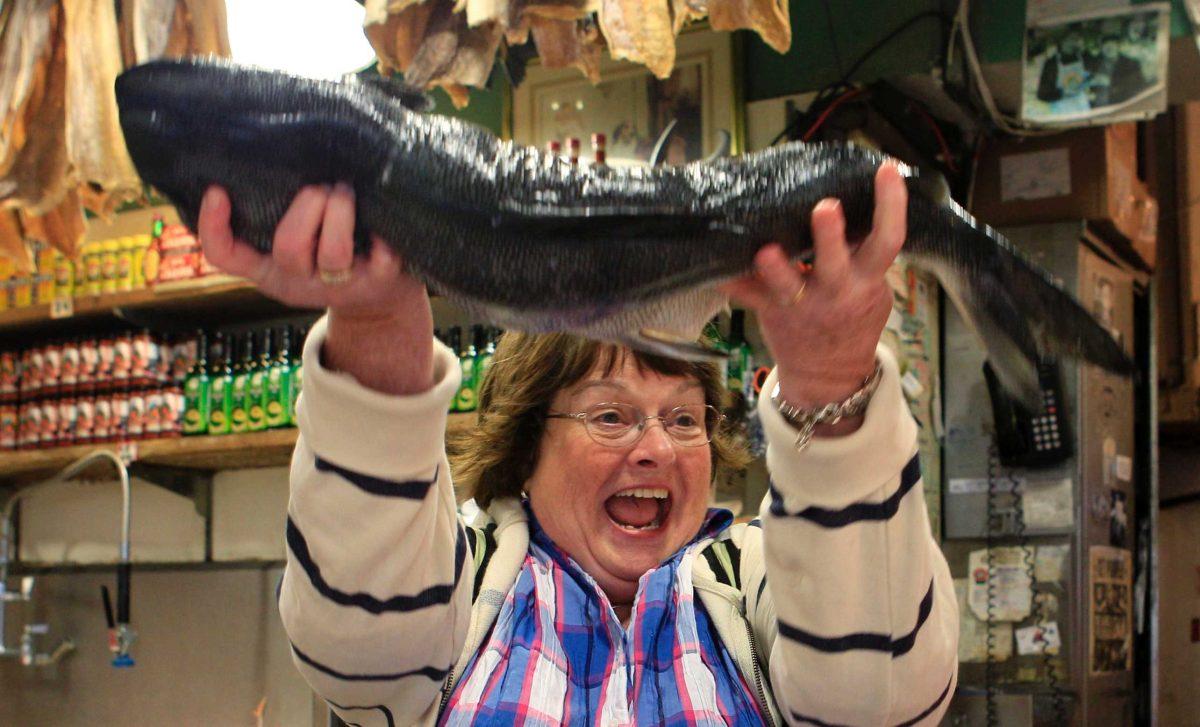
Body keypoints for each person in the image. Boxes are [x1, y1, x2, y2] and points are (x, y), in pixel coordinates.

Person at [198, 162, 958, 725]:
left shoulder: (756, 578)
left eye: (685, 419)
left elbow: (882, 702)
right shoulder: (458, 583)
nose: (657, 448)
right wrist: (375, 336)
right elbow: (358, 651)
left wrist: (831, 382)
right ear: (528, 444)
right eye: (610, 416)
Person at [1036, 26, 1093, 116]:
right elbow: (1042, 95)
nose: (1076, 41)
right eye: (1072, 38)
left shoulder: (1084, 57)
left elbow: (1091, 77)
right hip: (1062, 110)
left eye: (1077, 38)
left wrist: (1089, 82)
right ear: (1062, 40)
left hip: (1082, 107)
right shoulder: (1052, 63)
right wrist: (1063, 94)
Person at [1088, 35, 1147, 108]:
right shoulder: (1095, 64)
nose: (1109, 48)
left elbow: (1138, 87)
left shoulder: (1131, 64)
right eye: (1105, 46)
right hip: (1097, 108)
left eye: (1112, 45)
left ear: (1118, 47)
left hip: (1120, 107)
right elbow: (1087, 84)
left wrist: (1111, 82)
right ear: (1101, 48)